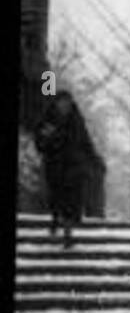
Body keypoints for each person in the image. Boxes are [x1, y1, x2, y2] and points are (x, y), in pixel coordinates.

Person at [34, 90, 95, 247]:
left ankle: (68, 236)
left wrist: (92, 158)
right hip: (54, 166)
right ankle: (55, 220)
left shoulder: (77, 120)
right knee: (56, 198)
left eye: (67, 102)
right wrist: (49, 139)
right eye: (62, 102)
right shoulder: (48, 119)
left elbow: (85, 140)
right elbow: (40, 141)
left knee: (71, 202)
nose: (65, 105)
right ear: (56, 103)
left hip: (73, 167)